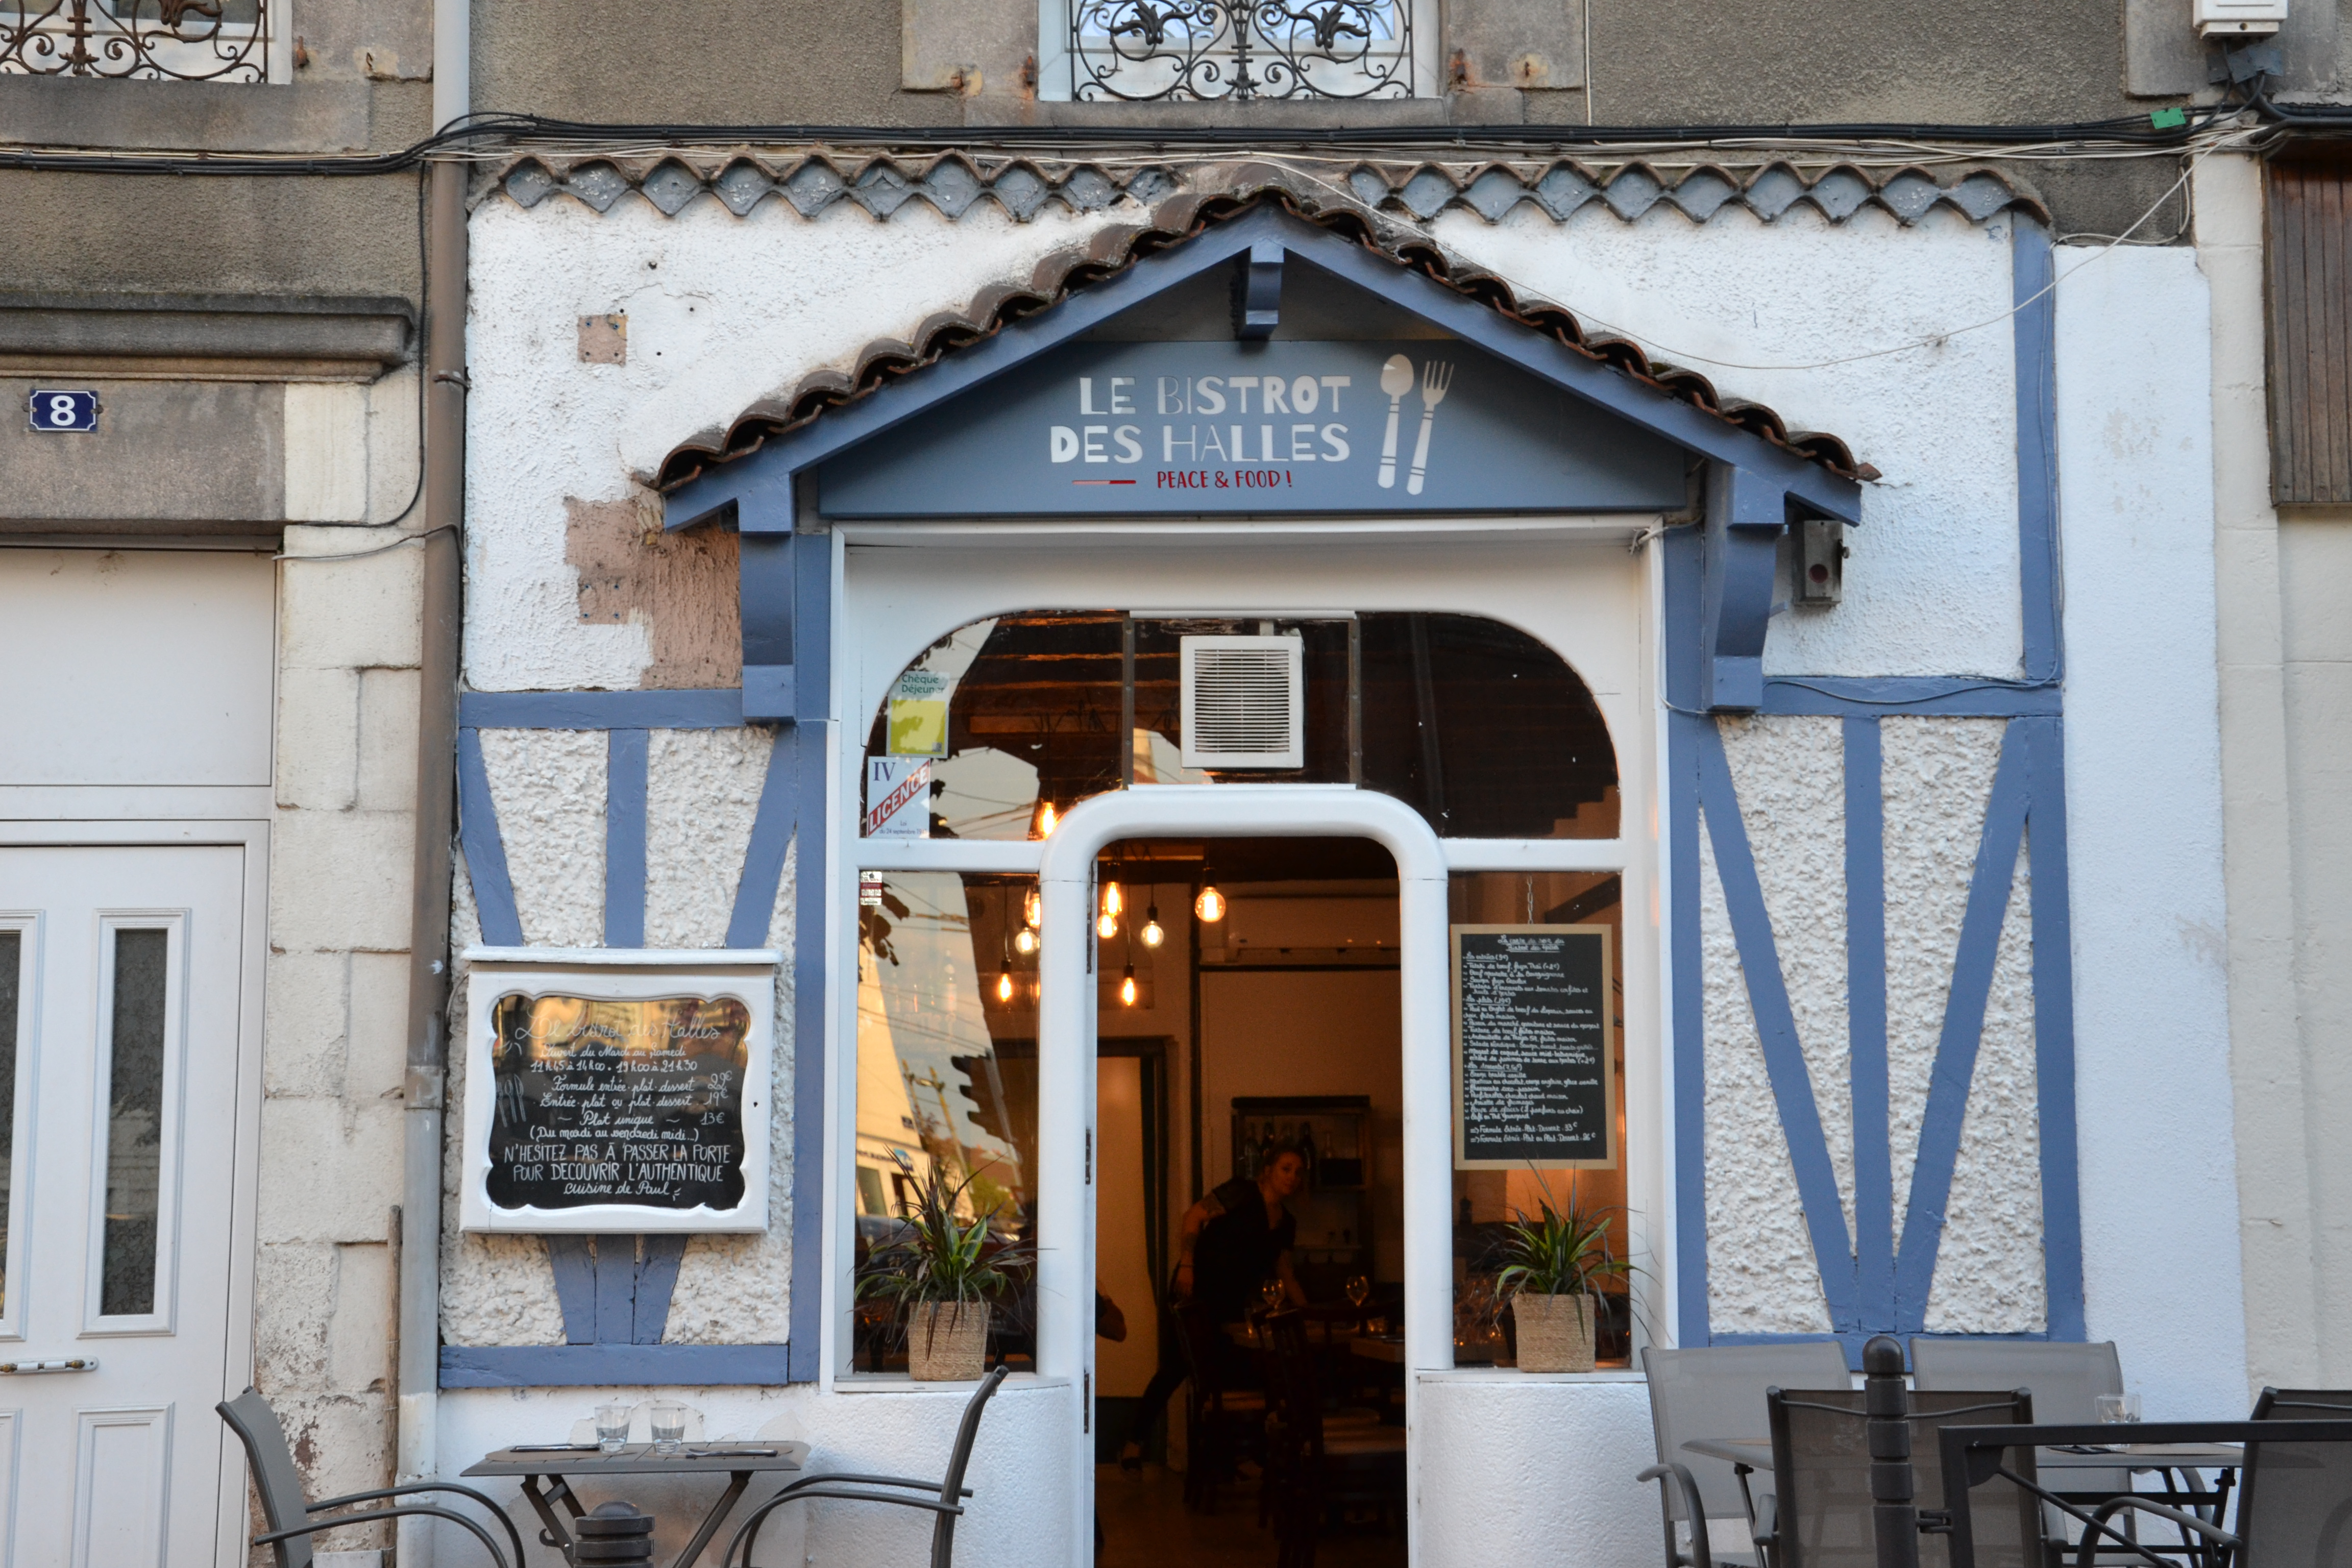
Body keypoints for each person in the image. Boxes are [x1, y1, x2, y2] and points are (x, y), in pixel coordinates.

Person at [1116, 1143, 1310, 1470]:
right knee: (1178, 1366)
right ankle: (1135, 1443)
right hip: (1196, 1288)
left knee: (1238, 1371)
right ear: (1268, 1170)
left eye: (1298, 1172)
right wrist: (1188, 1264)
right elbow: (1194, 1215)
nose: (1292, 1177)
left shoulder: (1286, 1222)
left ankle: (1229, 1460)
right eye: (1286, 1169)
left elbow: (1285, 1272)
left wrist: (1308, 1312)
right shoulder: (1241, 1192)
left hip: (1231, 1303)